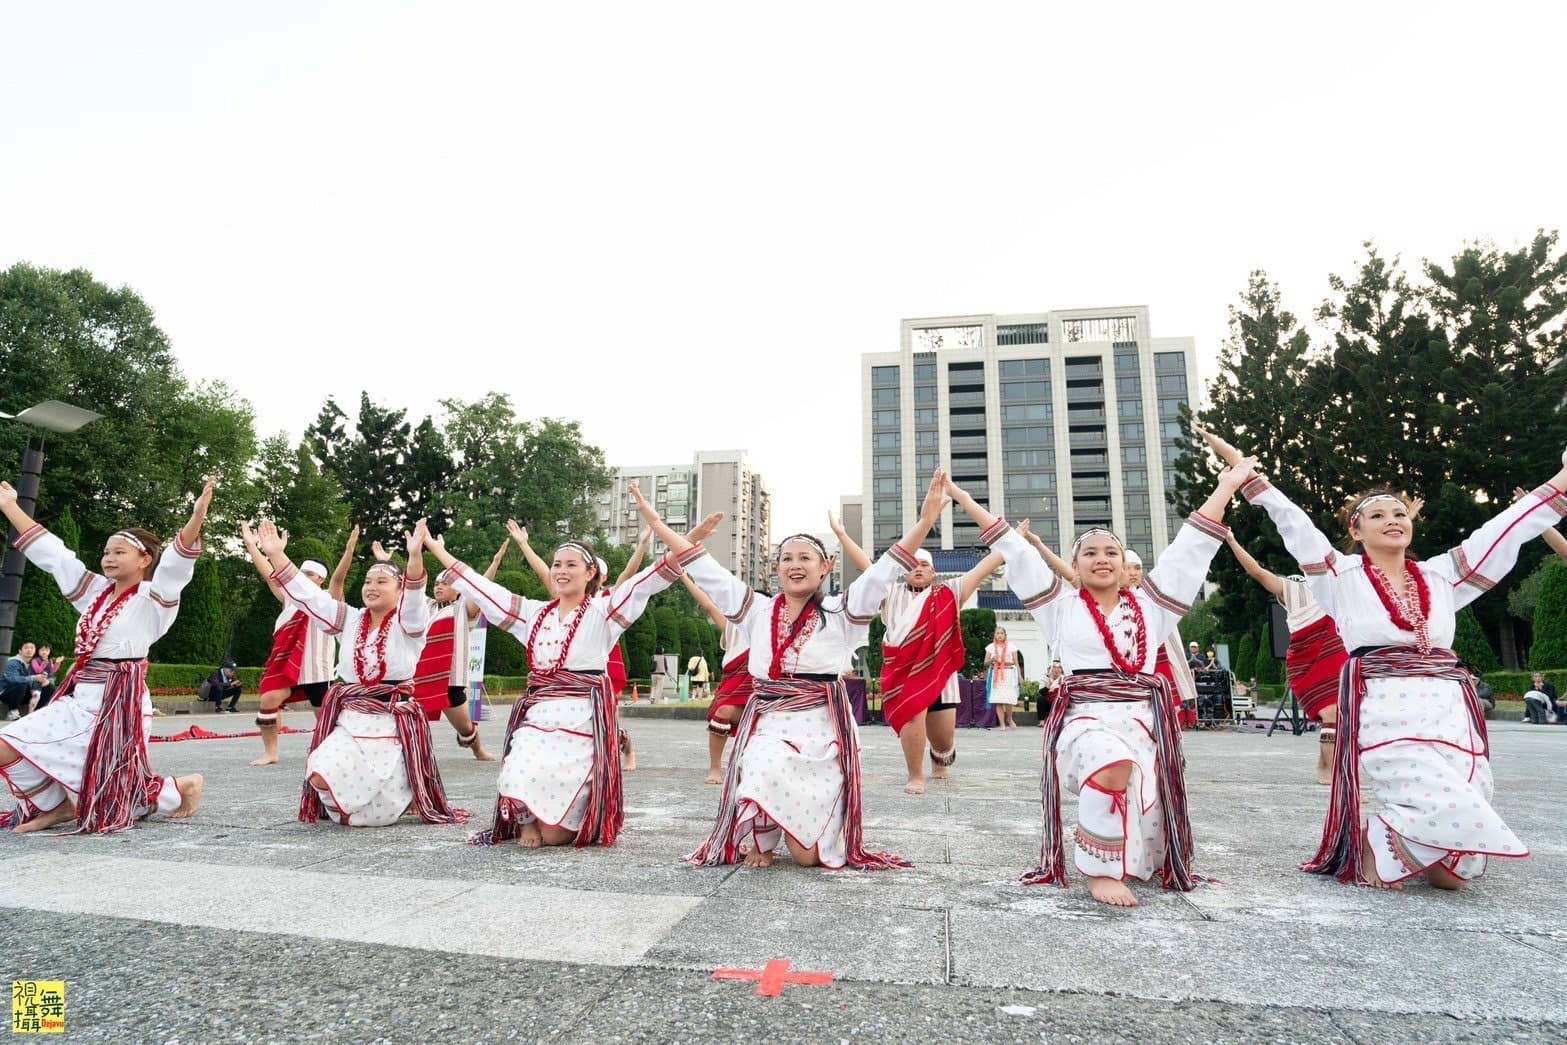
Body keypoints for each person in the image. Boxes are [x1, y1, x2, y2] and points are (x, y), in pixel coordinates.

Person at [1208, 427, 1567, 889]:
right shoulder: (1340, 574)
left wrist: (1561, 478)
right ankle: (1377, 839)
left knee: (1454, 874)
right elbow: (1293, 521)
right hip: (1385, 702)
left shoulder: (1442, 575)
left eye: (1399, 513)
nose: (1393, 519)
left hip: (1449, 706)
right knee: (1428, 792)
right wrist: (1244, 473)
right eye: (1377, 515)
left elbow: (1503, 530)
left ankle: (1399, 846)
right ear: (1355, 531)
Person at [947, 456, 1255, 907]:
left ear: (1124, 562)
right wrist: (964, 499)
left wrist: (1226, 486)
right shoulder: (1058, 605)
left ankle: (1117, 854)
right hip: (1084, 719)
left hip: (1142, 722)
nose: (1102, 559)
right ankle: (1098, 870)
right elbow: (1018, 550)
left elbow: (1189, 548)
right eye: (1089, 552)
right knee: (1111, 763)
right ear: (1074, 565)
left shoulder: (1153, 606)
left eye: (1111, 551)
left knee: (1142, 830)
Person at [652, 472, 951, 871]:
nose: (796, 565)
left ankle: (806, 826)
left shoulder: (841, 611)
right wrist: (657, 524)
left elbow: (883, 570)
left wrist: (926, 521)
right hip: (771, 721)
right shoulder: (756, 609)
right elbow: (707, 571)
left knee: (809, 859)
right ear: (777, 567)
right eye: (787, 558)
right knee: (763, 764)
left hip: (822, 728)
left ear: (825, 567)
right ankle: (759, 834)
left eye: (805, 558)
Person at [423, 512, 688, 849]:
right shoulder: (534, 613)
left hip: (582, 719)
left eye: (571, 565)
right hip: (539, 716)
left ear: (590, 573)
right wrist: (435, 549)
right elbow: (483, 587)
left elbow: (645, 581)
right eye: (557, 564)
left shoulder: (603, 611)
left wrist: (685, 542)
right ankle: (527, 820)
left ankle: (557, 822)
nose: (561, 571)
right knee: (520, 765)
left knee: (556, 836)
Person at [0, 477, 213, 833]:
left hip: (119, 704)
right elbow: (55, 557)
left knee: (115, 786)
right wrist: (10, 507)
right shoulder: (95, 592)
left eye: (119, 552)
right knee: (7, 745)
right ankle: (53, 808)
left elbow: (176, 564)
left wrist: (197, 517)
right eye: (106, 552)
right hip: (80, 698)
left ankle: (181, 787)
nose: (108, 558)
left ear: (145, 558)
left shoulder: (155, 598)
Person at [255, 518, 465, 828]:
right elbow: (308, 595)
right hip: (351, 718)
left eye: (382, 582)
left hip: (392, 721)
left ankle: (406, 788)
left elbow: (416, 598)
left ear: (399, 589)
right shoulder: (348, 618)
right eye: (368, 582)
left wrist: (416, 556)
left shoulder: (410, 622)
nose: (371, 587)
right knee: (320, 773)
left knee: (375, 814)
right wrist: (275, 554)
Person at [871, 527, 1002, 793]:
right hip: (904, 675)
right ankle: (915, 775)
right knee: (912, 716)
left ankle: (940, 756)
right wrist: (841, 535)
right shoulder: (890, 593)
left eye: (924, 565)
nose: (918, 569)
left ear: (933, 573)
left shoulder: (949, 592)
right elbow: (867, 568)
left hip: (941, 678)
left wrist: (1010, 542)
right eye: (912, 565)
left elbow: (981, 570)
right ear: (903, 571)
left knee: (943, 741)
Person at [239, 523, 348, 765]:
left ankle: (330, 753)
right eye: (302, 573)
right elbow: (269, 573)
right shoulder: (290, 597)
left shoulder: (329, 600)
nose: (303, 577)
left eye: (309, 574)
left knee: (325, 717)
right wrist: (252, 545)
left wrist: (349, 551)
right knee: (268, 700)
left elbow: (339, 580)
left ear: (321, 579)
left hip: (317, 669)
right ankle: (271, 752)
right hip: (288, 666)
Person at [409, 540, 508, 762]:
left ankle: (478, 751)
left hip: (450, 679)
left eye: (445, 583)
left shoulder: (463, 608)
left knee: (465, 728)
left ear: (459, 590)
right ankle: (411, 756)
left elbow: (482, 590)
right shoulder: (425, 607)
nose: (439, 587)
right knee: (407, 719)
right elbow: (410, 588)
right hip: (419, 677)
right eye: (436, 583)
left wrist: (495, 563)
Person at [682, 572, 753, 785]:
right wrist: (684, 576)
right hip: (734, 685)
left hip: (762, 691)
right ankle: (715, 767)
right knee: (722, 714)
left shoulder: (774, 626)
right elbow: (707, 604)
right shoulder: (733, 627)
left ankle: (751, 765)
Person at [985, 627, 1022, 730]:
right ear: (995, 635)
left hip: (1009, 674)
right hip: (996, 674)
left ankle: (1009, 719)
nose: (1000, 635)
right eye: (997, 633)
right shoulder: (991, 647)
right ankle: (1002, 724)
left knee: (1008, 699)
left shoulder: (1012, 647)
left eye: (1002, 633)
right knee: (999, 700)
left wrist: (1019, 676)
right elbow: (986, 662)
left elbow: (1016, 663)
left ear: (1005, 635)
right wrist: (992, 659)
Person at [2, 642, 45, 720]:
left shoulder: (36, 663)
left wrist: (45, 681)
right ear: (20, 651)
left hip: (25, 694)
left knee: (48, 687)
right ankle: (12, 712)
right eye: (26, 648)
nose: (29, 650)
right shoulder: (13, 662)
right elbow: (12, 679)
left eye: (32, 648)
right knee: (22, 684)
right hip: (7, 693)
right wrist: (33, 678)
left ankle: (40, 713)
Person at [27, 644, 62, 713]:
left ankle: (40, 710)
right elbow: (37, 671)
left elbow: (52, 671)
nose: (44, 652)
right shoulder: (35, 660)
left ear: (49, 652)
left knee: (52, 691)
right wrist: (44, 664)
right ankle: (30, 711)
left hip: (45, 681)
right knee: (36, 695)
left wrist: (57, 663)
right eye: (42, 650)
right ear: (38, 651)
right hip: (35, 680)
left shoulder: (50, 660)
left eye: (46, 650)